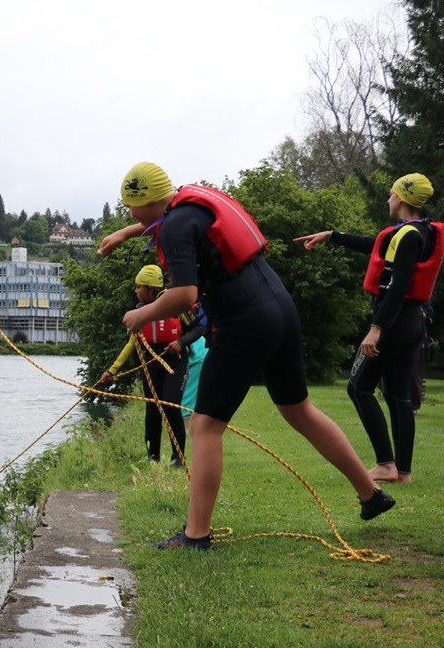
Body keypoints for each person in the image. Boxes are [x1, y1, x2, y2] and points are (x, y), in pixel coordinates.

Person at [98, 162, 394, 549]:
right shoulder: (189, 203)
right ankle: (371, 494)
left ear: (145, 201)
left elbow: (185, 295)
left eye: (130, 208)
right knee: (299, 410)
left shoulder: (172, 228)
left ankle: (195, 535)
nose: (131, 215)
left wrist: (142, 314)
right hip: (279, 306)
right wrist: (125, 232)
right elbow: (168, 221)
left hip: (244, 320)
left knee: (204, 427)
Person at [295, 173, 442, 485]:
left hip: (393, 320)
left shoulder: (408, 236)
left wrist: (375, 329)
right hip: (412, 321)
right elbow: (375, 245)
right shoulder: (419, 232)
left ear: (402, 198)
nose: (387, 199)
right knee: (399, 396)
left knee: (358, 387)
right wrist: (332, 235)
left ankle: (385, 464)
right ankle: (402, 472)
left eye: (391, 194)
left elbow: (398, 286)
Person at [98, 264, 204, 466]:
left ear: (151, 289)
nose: (136, 291)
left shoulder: (176, 304)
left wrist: (180, 343)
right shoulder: (140, 312)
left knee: (170, 406)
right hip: (150, 363)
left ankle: (178, 457)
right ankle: (152, 458)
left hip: (175, 362)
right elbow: (130, 344)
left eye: (139, 287)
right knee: (152, 409)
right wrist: (111, 371)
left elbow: (199, 329)